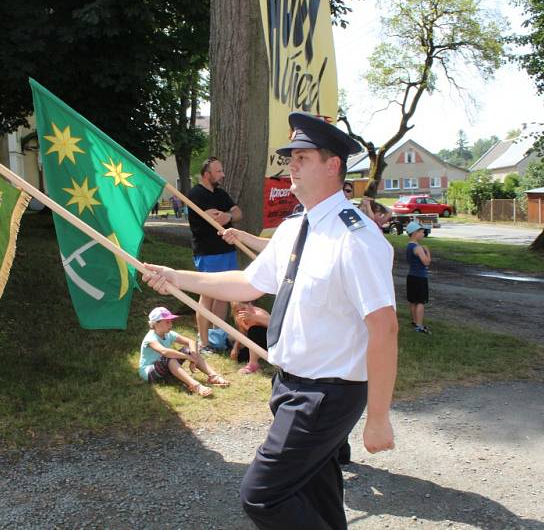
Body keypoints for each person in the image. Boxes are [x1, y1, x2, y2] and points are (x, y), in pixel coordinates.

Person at [143, 112, 397, 529]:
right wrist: (176, 278)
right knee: (317, 494)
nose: (290, 165)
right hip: (290, 384)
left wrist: (378, 416)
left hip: (326, 393)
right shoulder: (297, 226)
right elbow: (248, 281)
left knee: (262, 496)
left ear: (333, 165)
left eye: (301, 157)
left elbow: (384, 327)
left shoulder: (356, 238)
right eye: (289, 157)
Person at [187, 157, 243, 353]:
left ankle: (217, 337)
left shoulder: (220, 193)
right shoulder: (195, 194)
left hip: (227, 249)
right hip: (208, 252)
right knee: (208, 294)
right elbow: (211, 217)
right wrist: (224, 215)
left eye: (222, 171)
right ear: (206, 174)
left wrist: (228, 215)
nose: (222, 175)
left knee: (224, 295)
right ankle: (203, 342)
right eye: (218, 171)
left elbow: (237, 213)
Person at [138, 306, 230, 397]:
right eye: (167, 322)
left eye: (170, 321)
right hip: (149, 372)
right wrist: (187, 357)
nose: (170, 324)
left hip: (164, 367)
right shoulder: (150, 338)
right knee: (169, 358)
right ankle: (195, 386)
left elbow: (191, 342)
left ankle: (213, 376)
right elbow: (165, 352)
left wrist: (193, 358)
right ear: (156, 324)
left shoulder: (169, 334)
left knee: (188, 350)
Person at [406, 221, 432, 334]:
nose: (423, 234)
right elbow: (426, 262)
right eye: (421, 232)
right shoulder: (418, 248)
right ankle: (419, 325)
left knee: (413, 301)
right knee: (421, 301)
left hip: (411, 276)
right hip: (420, 277)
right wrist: (427, 252)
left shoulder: (409, 246)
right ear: (414, 233)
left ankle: (414, 321)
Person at [229, 301, 269, 374]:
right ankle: (257, 357)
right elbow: (242, 333)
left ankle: (253, 365)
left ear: (250, 305)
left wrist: (252, 317)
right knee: (240, 357)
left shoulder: (258, 313)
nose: (241, 312)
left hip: (270, 342)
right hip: (257, 343)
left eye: (243, 308)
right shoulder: (239, 318)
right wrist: (235, 348)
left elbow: (274, 326)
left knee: (253, 330)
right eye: (238, 311)